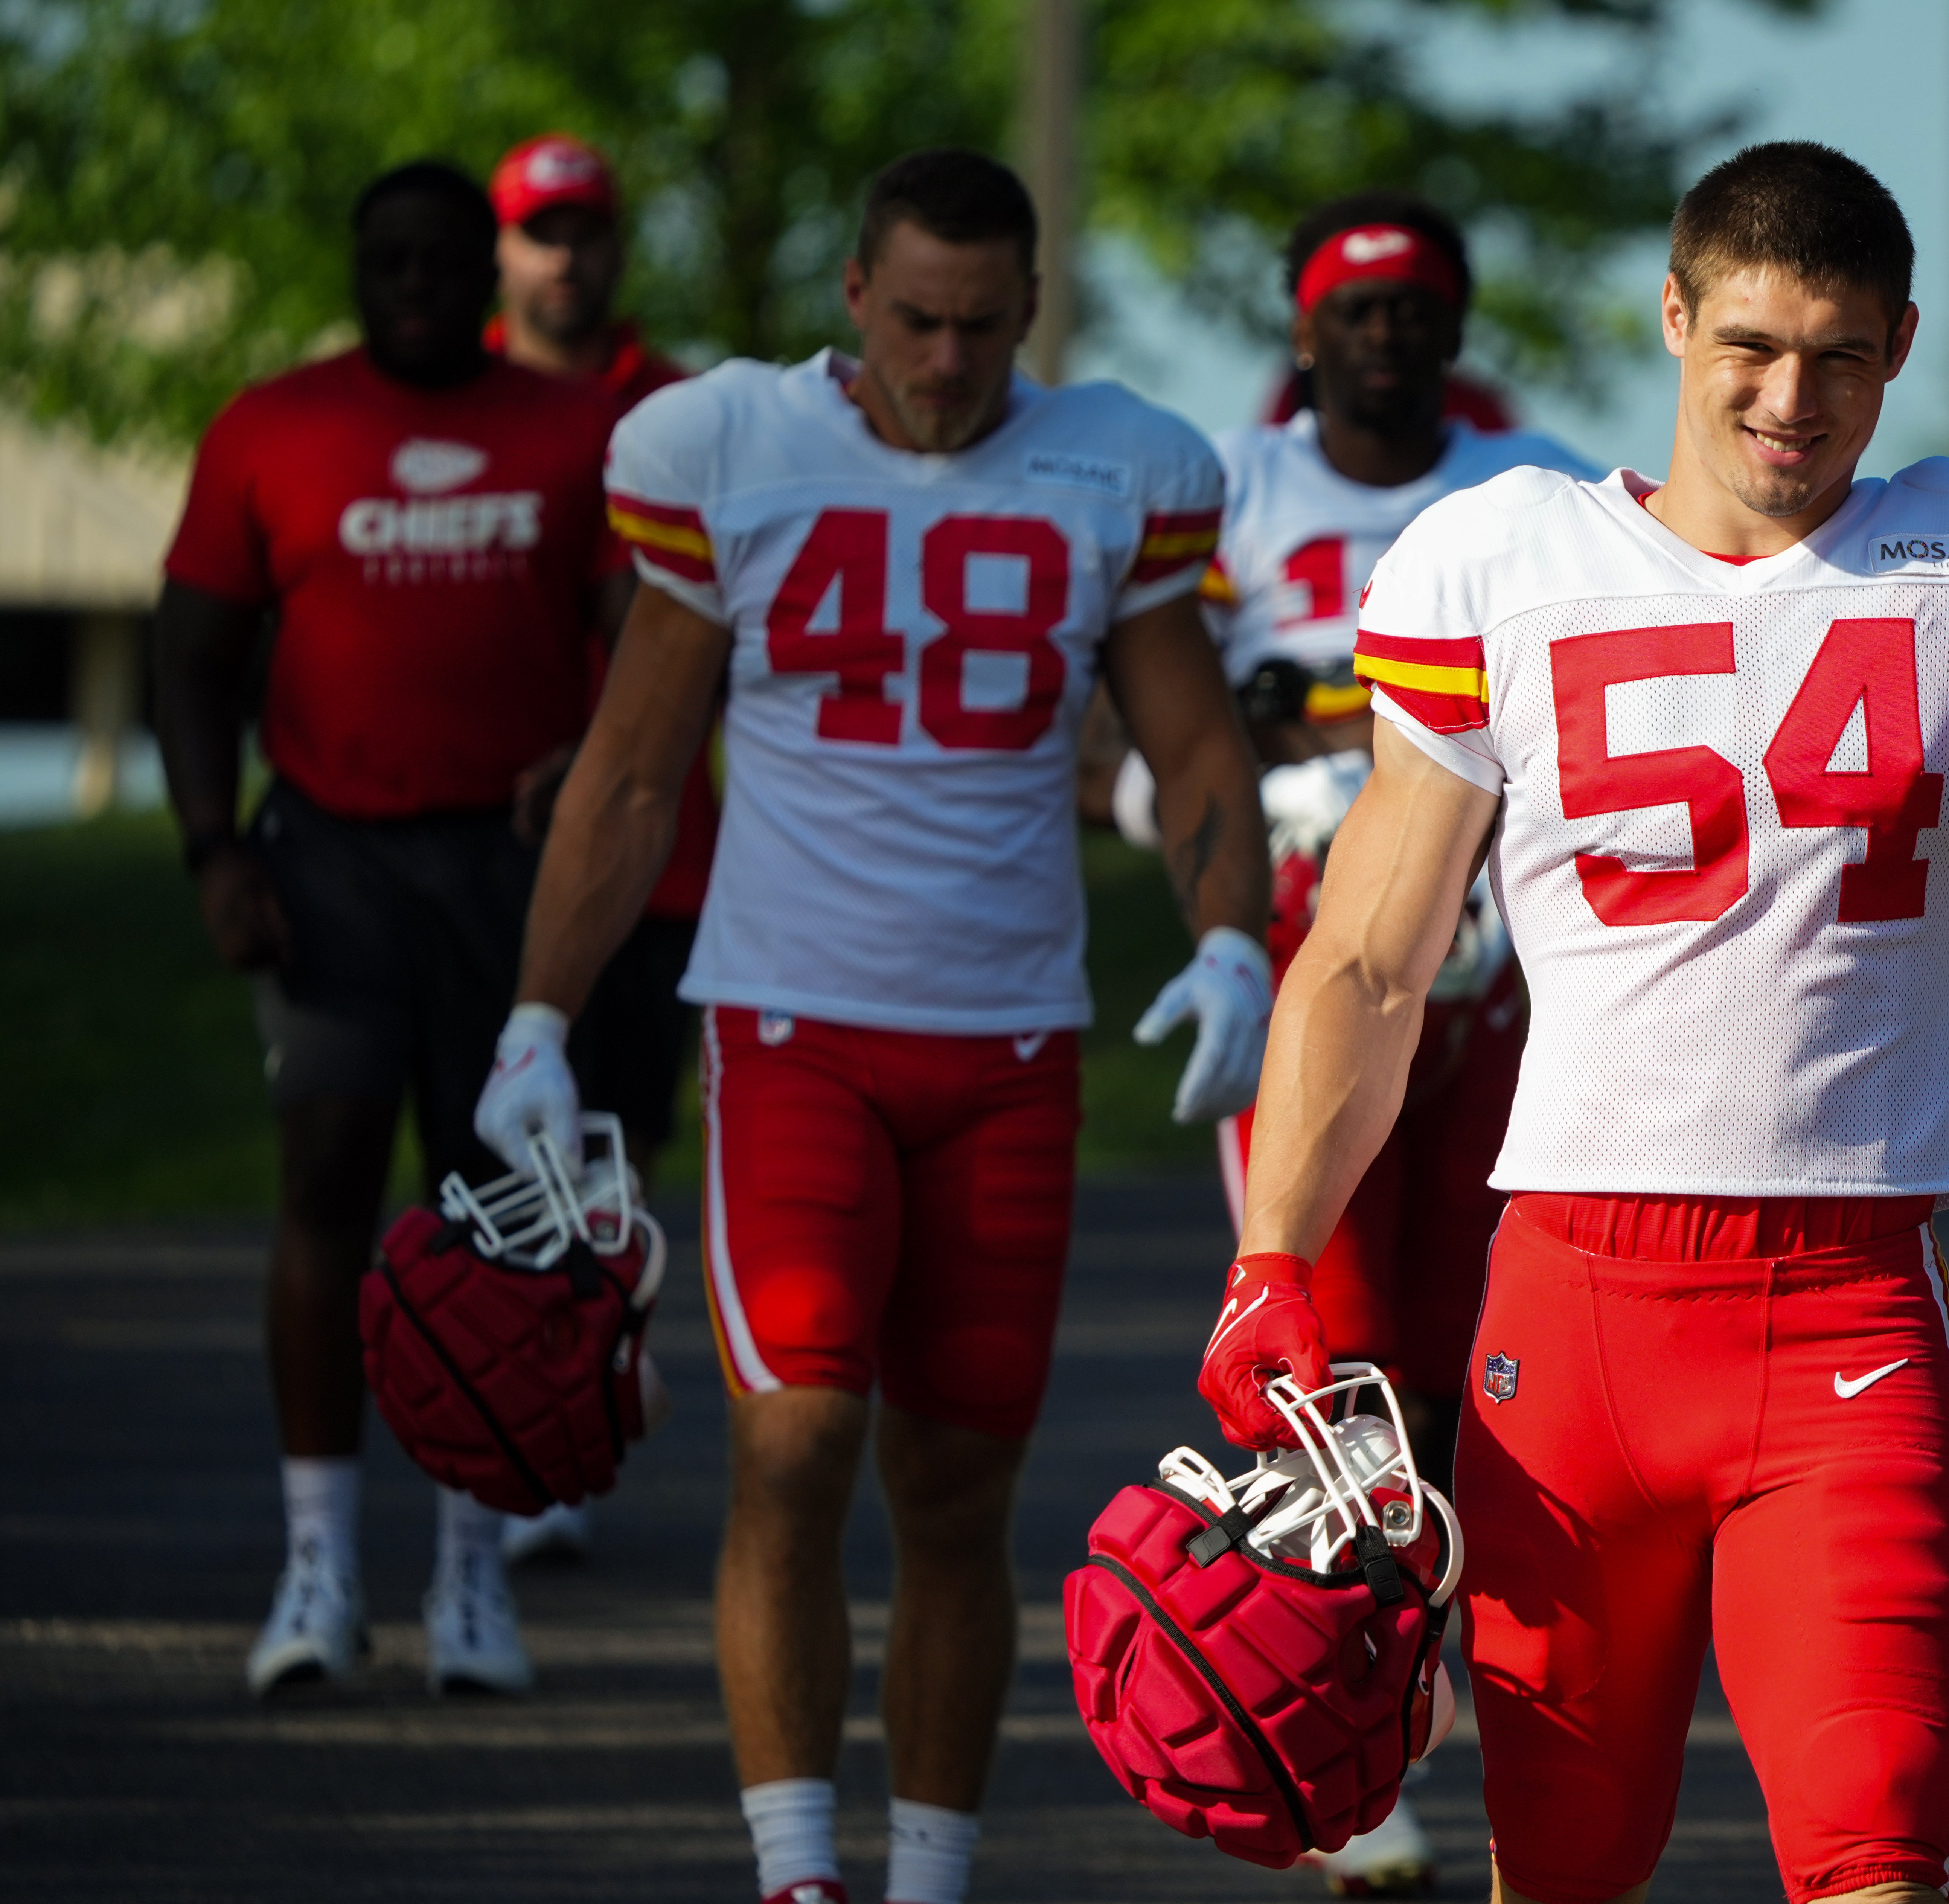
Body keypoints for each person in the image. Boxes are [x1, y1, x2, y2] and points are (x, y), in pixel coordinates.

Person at [1202, 142, 1949, 1904]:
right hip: (1567, 1332)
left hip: (1840, 1326)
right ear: (1673, 318)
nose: (1794, 400)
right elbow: (1366, 962)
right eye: (1753, 349)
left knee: (1873, 1867)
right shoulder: (1500, 553)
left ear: (1901, 345)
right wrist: (1275, 1254)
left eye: (1842, 356)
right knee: (1553, 1877)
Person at [470, 149, 1269, 1904]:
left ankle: (928, 1874)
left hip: (1008, 1044)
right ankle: (796, 1869)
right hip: (794, 1026)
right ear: (852, 295)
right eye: (914, 317)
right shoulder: (735, 447)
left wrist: (1231, 946)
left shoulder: (1112, 466)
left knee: (960, 1483)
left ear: (1030, 313)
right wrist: (540, 1008)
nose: (945, 357)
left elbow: (1198, 750)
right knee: (799, 1432)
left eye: (982, 323)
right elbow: (627, 767)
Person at [1091, 189, 1595, 1898]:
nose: (1385, 337)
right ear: (1305, 330)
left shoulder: (1539, 495)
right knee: (1327, 1349)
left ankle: (1409, 1689)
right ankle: (1336, 1714)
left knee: (1472, 1360)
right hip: (1326, 946)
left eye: (1415, 310)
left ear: (1453, 330)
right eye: (1354, 311)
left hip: (1503, 971)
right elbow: (1136, 731)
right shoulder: (1226, 494)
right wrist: (1223, 898)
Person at [153, 159, 627, 1698]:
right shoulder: (273, 426)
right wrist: (215, 848)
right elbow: (191, 655)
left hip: (509, 872)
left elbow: (657, 644)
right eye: (391, 258)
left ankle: (472, 1576)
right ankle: (319, 1565)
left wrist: (602, 754)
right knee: (327, 1188)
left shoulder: (574, 428)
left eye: (442, 258)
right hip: (331, 864)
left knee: (501, 1219)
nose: (418, 281)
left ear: (482, 272)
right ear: (361, 270)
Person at [486, 128, 709, 1568]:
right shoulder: (466, 399)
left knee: (615, 1143)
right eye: (540, 230)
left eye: (587, 230)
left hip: (657, 851)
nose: (566, 256)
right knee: (491, 1135)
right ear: (506, 248)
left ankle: (562, 1422)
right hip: (476, 839)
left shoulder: (682, 411)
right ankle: (506, 1418)